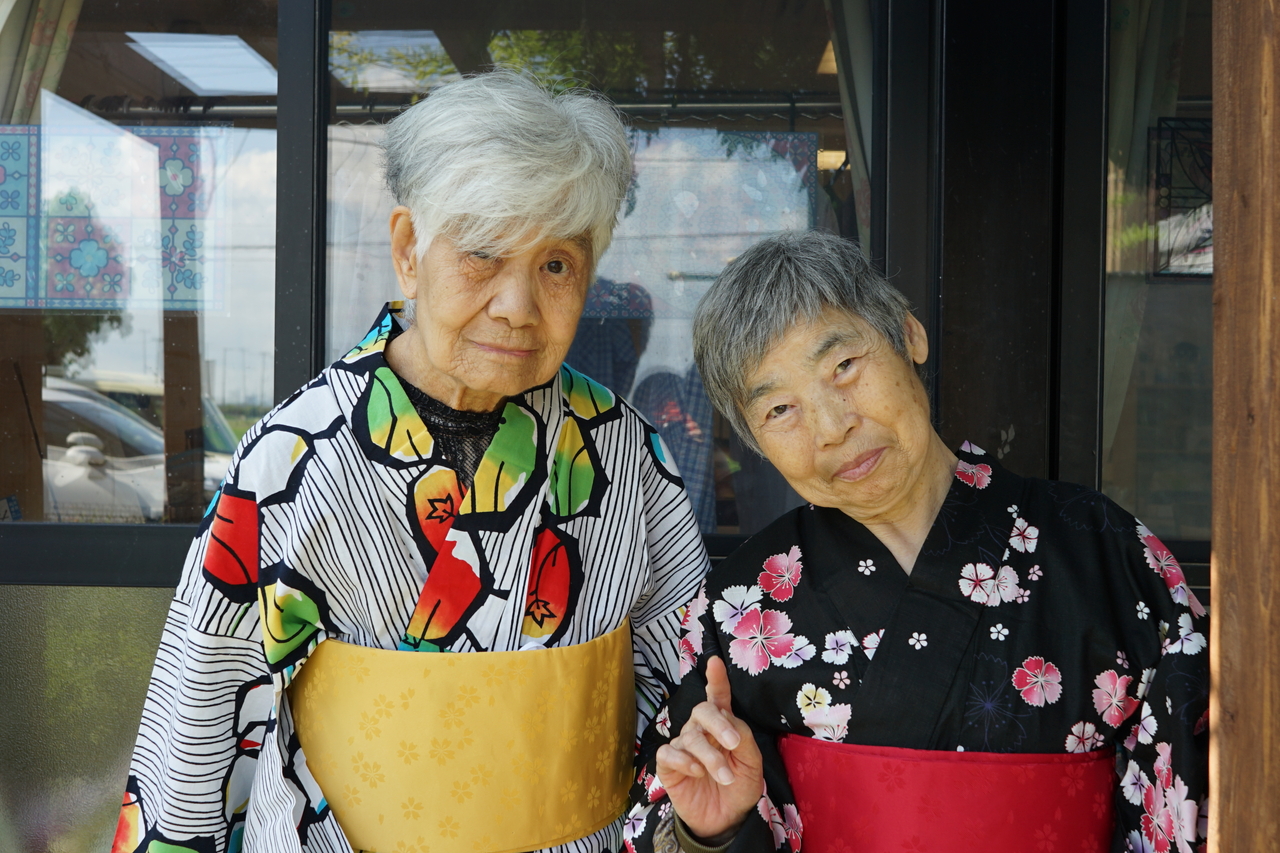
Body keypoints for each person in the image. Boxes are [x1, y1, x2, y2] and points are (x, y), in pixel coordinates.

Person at [112, 70, 709, 853]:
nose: (517, 306)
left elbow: (691, 705)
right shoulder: (296, 459)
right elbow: (190, 736)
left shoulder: (625, 454)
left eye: (556, 265)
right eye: (483, 254)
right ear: (407, 250)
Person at [621, 231, 1208, 853]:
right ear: (754, 442)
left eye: (844, 367)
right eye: (780, 410)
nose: (832, 425)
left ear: (909, 336)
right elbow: (665, 810)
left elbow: (1192, 792)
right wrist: (709, 832)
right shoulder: (739, 607)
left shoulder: (1102, 551)